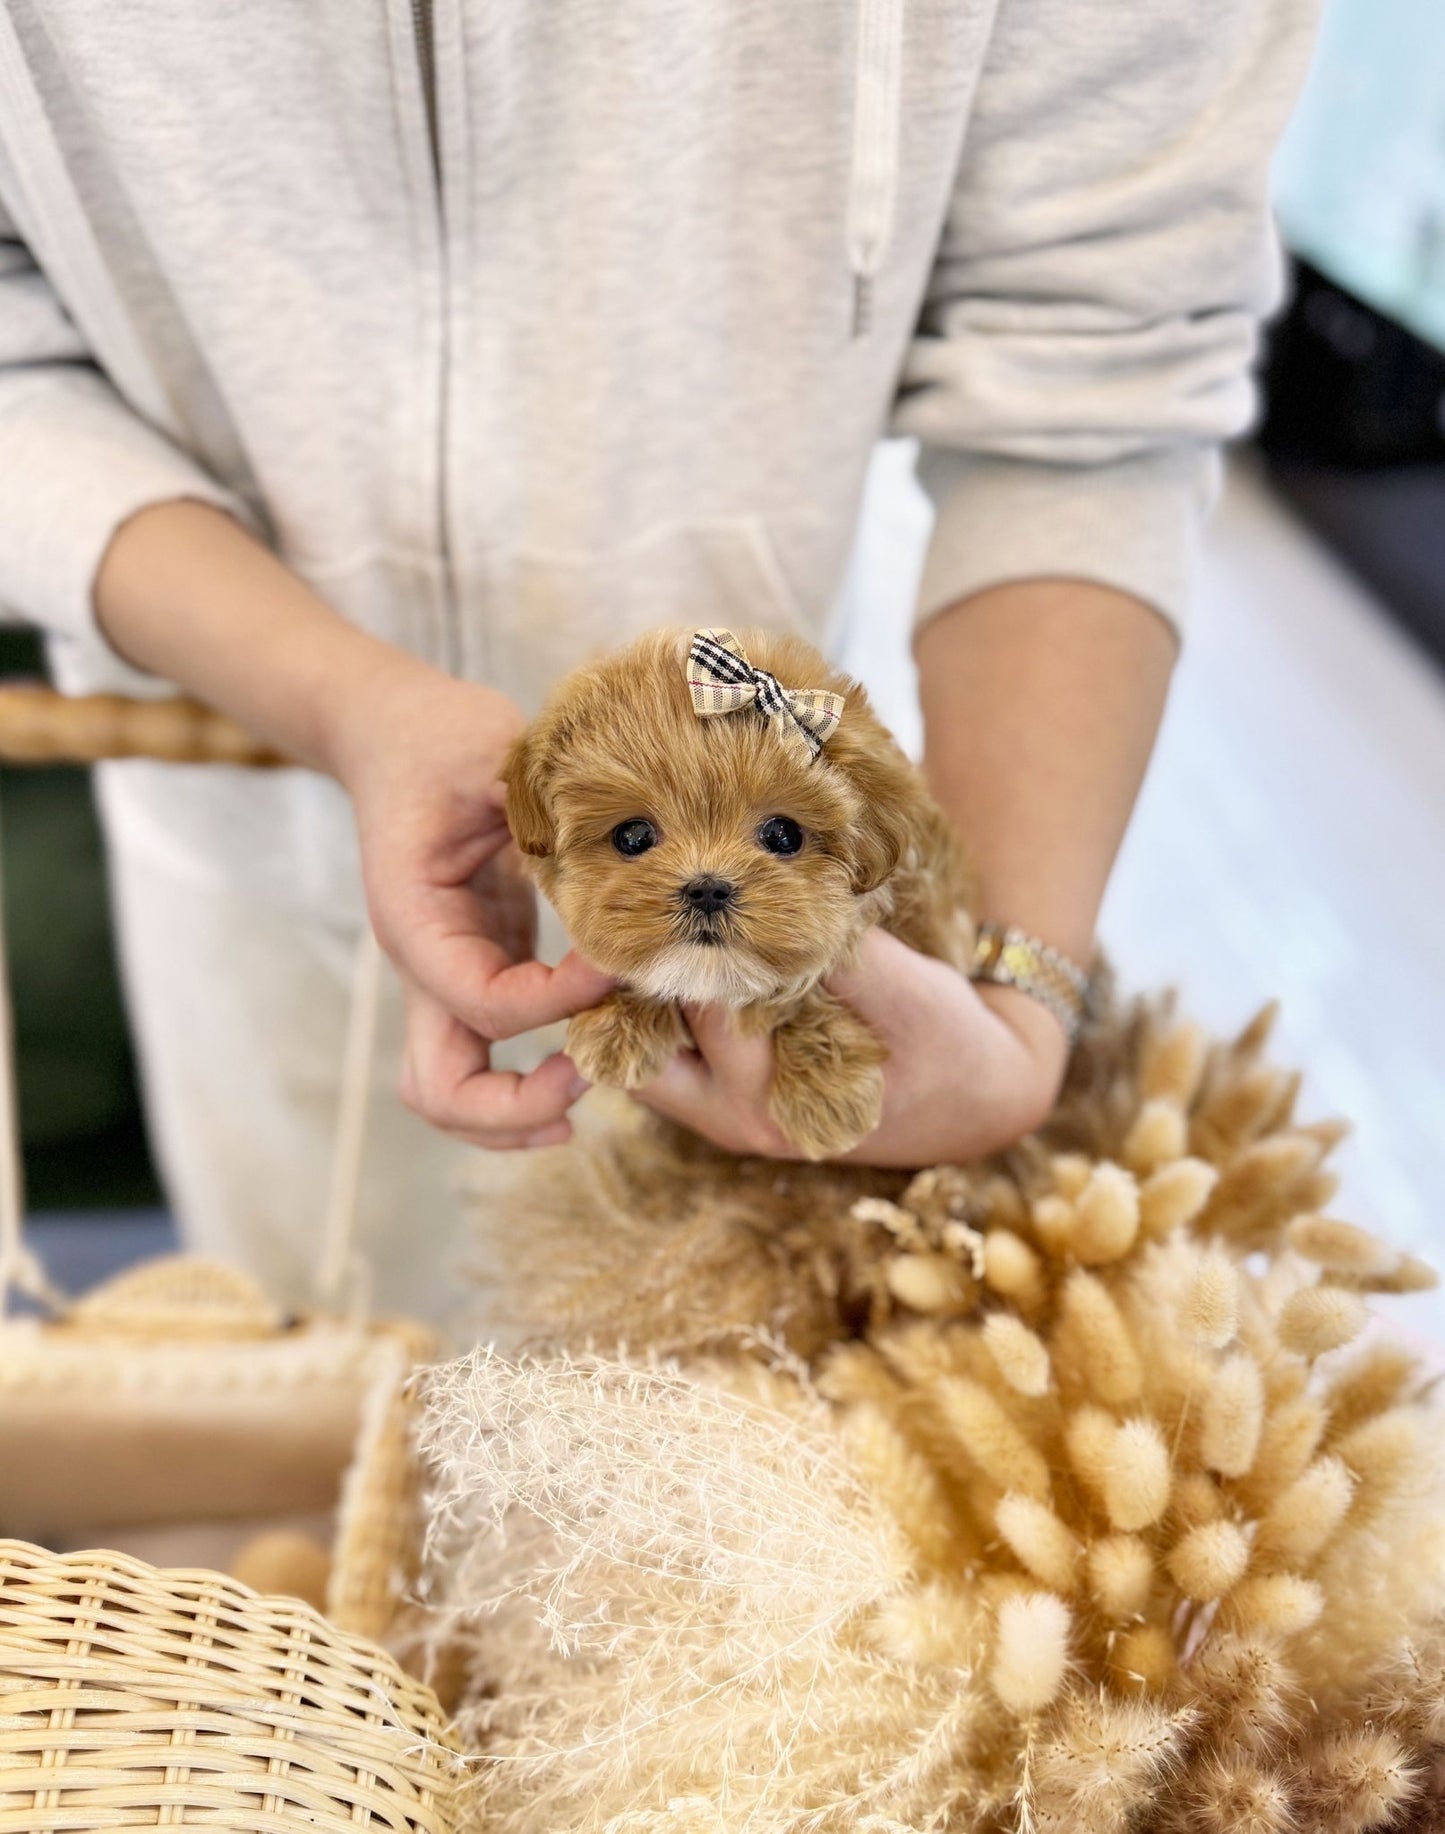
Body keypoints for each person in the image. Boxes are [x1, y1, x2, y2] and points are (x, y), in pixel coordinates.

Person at [0, 1, 1317, 1321]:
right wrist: (343, 701)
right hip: (232, 805)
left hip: (779, 890)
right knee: (286, 1362)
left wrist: (1013, 987)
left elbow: (1103, 357)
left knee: (716, 1416)